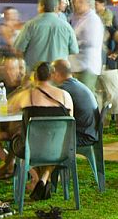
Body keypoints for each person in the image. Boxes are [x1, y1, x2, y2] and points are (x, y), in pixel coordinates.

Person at [7, 61, 75, 202]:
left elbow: (9, 107)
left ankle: (37, 177)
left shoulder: (27, 95)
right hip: (59, 150)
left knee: (15, 139)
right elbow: (71, 122)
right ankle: (44, 178)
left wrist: (24, 88)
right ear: (52, 76)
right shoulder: (65, 96)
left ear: (35, 76)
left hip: (30, 150)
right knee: (52, 147)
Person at [14, 0, 77, 71]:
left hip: (36, 74)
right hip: (58, 73)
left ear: (41, 6)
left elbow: (18, 49)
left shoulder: (31, 25)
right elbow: (74, 50)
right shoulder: (67, 27)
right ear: (55, 8)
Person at [68, 0, 105, 93]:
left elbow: (90, 41)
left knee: (85, 95)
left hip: (86, 67)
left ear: (88, 4)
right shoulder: (75, 18)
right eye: (75, 3)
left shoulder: (92, 20)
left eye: (80, 2)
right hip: (76, 65)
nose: (76, 5)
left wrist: (71, 44)